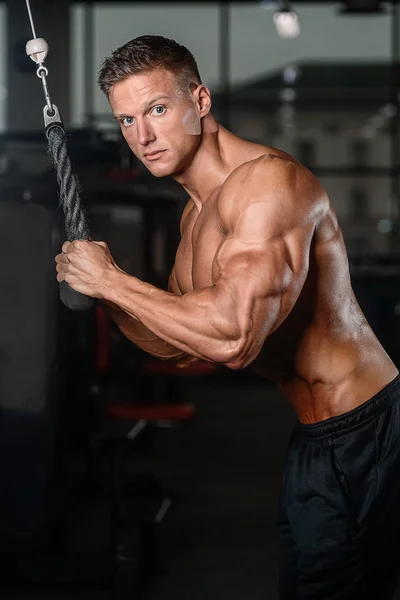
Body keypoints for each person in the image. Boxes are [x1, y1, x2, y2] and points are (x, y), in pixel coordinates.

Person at [55, 35, 400, 599]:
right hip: (316, 439)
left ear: (201, 101)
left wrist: (113, 281)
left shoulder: (268, 185)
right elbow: (181, 343)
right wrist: (107, 293)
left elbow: (234, 338)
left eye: (157, 110)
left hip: (369, 432)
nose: (142, 136)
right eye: (126, 120)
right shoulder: (197, 217)